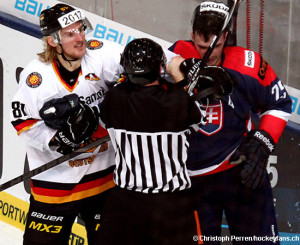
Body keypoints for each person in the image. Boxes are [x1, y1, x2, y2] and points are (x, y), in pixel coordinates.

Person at [169, 1, 292, 244]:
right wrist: (173, 68)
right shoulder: (175, 54)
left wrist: (263, 141)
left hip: (241, 171)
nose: (208, 53)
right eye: (202, 45)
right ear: (192, 34)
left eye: (216, 45)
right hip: (192, 181)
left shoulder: (248, 64)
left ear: (226, 36)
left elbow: (280, 103)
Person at [93, 38, 234, 245]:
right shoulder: (177, 102)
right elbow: (198, 120)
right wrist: (178, 74)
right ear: (159, 69)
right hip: (171, 206)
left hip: (124, 205)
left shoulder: (114, 98)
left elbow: (109, 115)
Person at [10, 3, 124, 245]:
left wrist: (180, 67)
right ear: (53, 41)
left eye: (81, 30)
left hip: (104, 180)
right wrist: (57, 141)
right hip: (56, 186)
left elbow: (143, 59)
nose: (80, 38)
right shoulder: (37, 78)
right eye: (70, 34)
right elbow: (23, 122)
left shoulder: (101, 55)